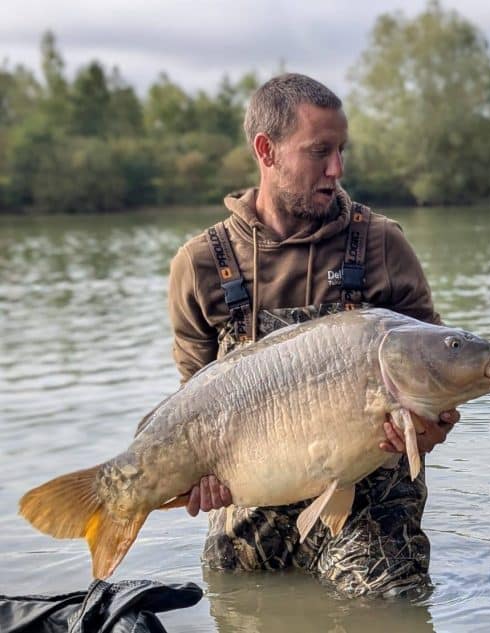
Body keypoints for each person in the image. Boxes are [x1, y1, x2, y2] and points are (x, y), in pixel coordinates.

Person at [165, 73, 456, 597]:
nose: (337, 170)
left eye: (341, 151)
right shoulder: (201, 264)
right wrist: (201, 477)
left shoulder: (382, 245)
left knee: (393, 605)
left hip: (368, 498)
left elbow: (438, 379)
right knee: (232, 599)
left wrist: (430, 429)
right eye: (320, 152)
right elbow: (195, 406)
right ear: (266, 150)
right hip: (252, 499)